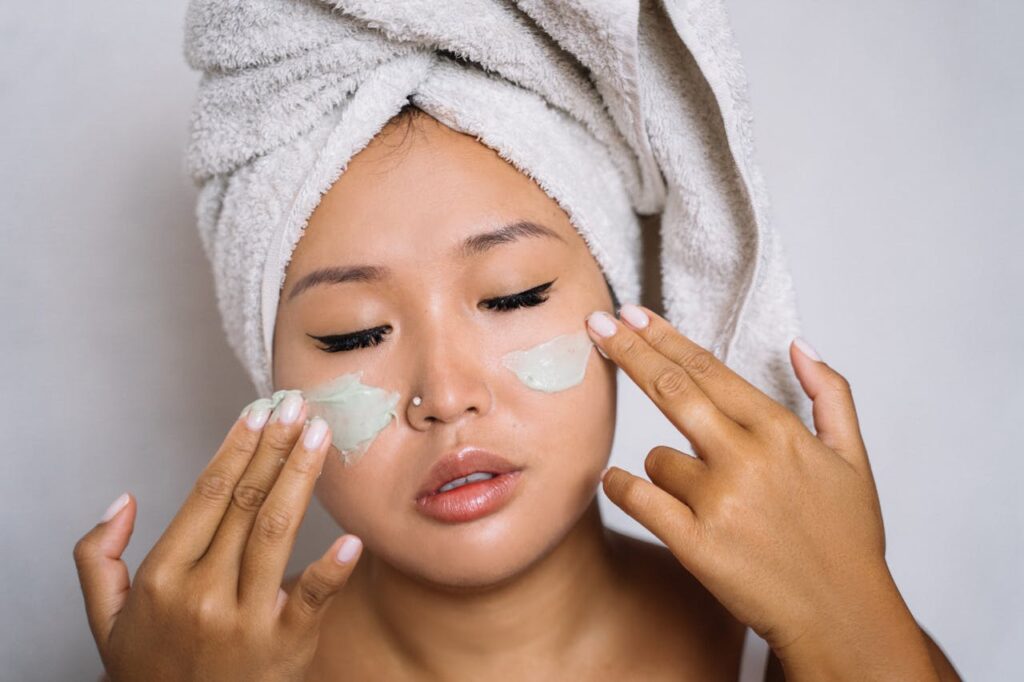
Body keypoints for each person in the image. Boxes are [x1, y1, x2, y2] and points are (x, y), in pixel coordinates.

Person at [73, 106, 961, 680]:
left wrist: (855, 620)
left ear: (621, 311)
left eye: (513, 297)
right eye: (352, 334)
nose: (446, 394)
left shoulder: (789, 635)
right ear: (271, 387)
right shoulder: (209, 670)